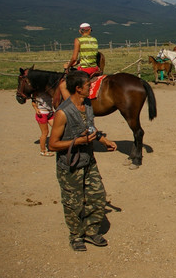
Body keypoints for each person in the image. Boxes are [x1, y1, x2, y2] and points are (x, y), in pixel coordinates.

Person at [49, 70, 117, 252]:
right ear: (78, 89)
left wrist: (103, 140)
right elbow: (52, 144)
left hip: (89, 161)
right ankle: (76, 236)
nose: (91, 87)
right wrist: (78, 141)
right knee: (74, 203)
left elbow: (90, 126)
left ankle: (91, 231)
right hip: (70, 165)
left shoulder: (87, 104)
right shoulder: (63, 113)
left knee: (98, 196)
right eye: (88, 85)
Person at [60, 23, 100, 101]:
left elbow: (74, 57)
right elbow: (88, 55)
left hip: (84, 69)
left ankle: (71, 104)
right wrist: (78, 61)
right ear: (90, 30)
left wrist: (68, 66)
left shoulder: (78, 40)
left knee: (63, 85)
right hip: (95, 68)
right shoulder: (94, 40)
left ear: (80, 31)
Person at [32, 91, 54, 156]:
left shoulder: (49, 89)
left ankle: (55, 144)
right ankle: (43, 151)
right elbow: (33, 102)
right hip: (42, 113)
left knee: (56, 128)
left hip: (50, 112)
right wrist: (36, 109)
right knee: (45, 132)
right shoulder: (37, 91)